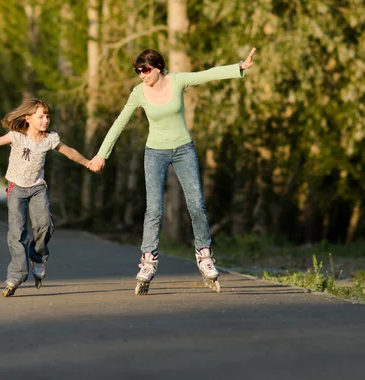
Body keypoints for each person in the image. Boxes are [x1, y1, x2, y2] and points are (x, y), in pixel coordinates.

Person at [88, 47, 257, 295]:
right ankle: (148, 260)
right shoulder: (139, 93)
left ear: (157, 67)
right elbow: (119, 123)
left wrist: (239, 67)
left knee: (196, 204)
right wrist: (102, 154)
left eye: (144, 70)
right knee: (154, 209)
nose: (141, 75)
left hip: (183, 150)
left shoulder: (177, 81)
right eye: (137, 71)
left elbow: (207, 74)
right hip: (154, 153)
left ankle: (204, 254)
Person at [0, 99, 91, 297]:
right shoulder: (17, 136)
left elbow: (70, 152)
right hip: (16, 188)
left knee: (44, 224)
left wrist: (88, 163)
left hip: (37, 187)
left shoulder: (50, 138)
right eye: (41, 116)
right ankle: (16, 275)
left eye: (47, 116)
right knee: (17, 232)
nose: (46, 120)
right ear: (28, 118)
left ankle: (37, 256)